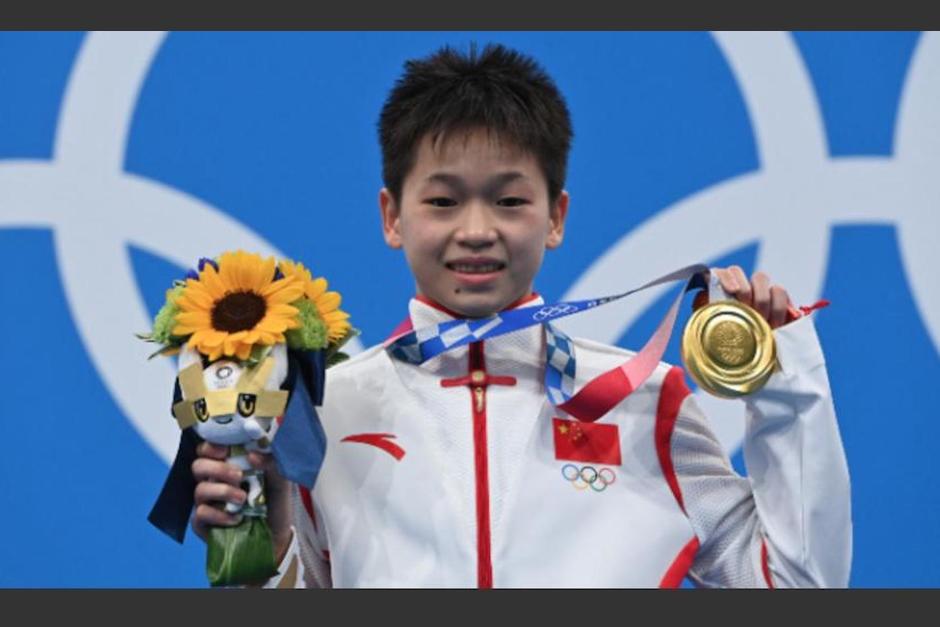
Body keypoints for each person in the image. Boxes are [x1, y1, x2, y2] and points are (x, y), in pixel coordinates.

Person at [189, 43, 852, 588]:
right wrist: (266, 528)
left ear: (556, 216)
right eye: (443, 202)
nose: (477, 230)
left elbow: (799, 583)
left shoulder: (648, 403)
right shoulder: (327, 410)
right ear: (392, 216)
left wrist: (781, 383)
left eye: (509, 201)